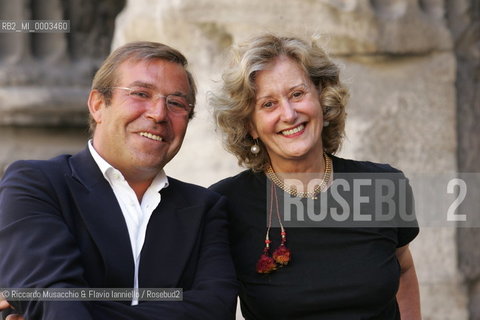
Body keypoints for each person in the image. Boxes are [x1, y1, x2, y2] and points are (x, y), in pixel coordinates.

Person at [0, 41, 237, 320]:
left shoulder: (205, 208)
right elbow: (55, 301)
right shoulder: (37, 185)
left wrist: (85, 306)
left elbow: (214, 311)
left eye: (175, 103)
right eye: (140, 93)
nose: (158, 114)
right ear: (98, 105)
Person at [209, 33, 421, 319]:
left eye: (297, 94)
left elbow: (404, 269)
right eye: (268, 104)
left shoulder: (383, 186)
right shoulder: (224, 205)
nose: (289, 114)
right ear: (250, 125)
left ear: (322, 97)